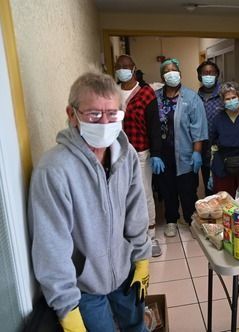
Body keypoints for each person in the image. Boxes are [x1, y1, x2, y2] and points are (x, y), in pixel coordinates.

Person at [28, 71, 151, 331]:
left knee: (136, 327)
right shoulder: (54, 170)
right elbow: (51, 245)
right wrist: (66, 306)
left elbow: (135, 208)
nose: (104, 122)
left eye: (112, 114)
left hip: (124, 271)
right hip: (84, 287)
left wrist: (142, 258)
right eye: (94, 114)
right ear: (72, 115)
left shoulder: (125, 155)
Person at [115, 54, 164, 257]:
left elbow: (154, 126)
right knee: (121, 195)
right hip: (116, 154)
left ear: (134, 68)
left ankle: (150, 236)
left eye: (127, 66)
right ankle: (129, 236)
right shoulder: (112, 93)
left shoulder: (146, 94)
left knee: (144, 193)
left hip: (141, 151)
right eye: (119, 66)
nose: (123, 70)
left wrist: (157, 153)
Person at [154, 58, 208, 237]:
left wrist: (197, 153)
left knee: (187, 190)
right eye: (167, 70)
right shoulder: (156, 98)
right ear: (162, 76)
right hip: (163, 155)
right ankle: (171, 220)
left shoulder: (191, 98)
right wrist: (155, 153)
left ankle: (190, 219)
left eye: (174, 70)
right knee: (167, 190)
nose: (171, 73)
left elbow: (198, 128)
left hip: (185, 154)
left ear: (180, 73)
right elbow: (152, 126)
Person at [197, 60, 239, 196]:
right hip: (219, 160)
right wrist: (212, 172)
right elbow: (214, 145)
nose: (231, 101)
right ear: (222, 101)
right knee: (221, 200)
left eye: (234, 97)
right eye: (227, 99)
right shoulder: (198, 101)